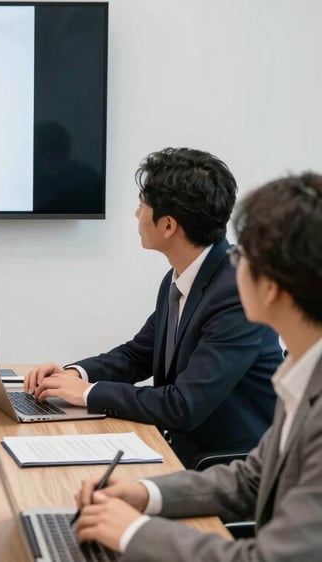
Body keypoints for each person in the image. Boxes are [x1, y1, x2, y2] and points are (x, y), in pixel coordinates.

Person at [73, 172, 322, 561]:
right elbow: (251, 480)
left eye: (241, 257)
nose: (232, 263)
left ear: (271, 287)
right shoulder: (304, 379)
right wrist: (146, 493)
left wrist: (134, 533)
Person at [24, 147, 283, 467]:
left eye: (142, 204)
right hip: (178, 449)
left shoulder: (237, 292)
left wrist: (87, 393)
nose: (136, 214)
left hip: (225, 467)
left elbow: (183, 405)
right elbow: (137, 355)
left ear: (169, 225)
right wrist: (73, 374)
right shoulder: (184, 277)